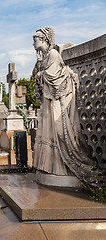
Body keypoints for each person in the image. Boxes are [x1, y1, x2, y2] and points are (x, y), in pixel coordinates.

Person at [32, 27, 99, 182]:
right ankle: (54, 166)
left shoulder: (54, 54)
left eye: (35, 40)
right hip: (49, 101)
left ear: (43, 40)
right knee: (51, 134)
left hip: (58, 101)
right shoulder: (45, 56)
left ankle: (63, 166)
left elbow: (53, 78)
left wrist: (41, 73)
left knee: (60, 133)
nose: (33, 44)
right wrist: (39, 65)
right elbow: (38, 75)